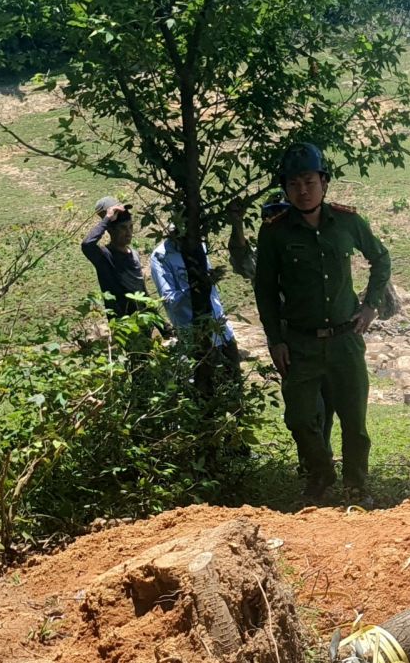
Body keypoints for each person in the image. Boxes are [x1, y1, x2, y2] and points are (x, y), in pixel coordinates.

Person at [254, 143, 392, 498]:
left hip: (345, 339)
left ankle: (356, 485)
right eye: (294, 184)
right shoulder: (275, 231)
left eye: (309, 182)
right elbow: (266, 289)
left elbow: (381, 259)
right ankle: (320, 472)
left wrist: (370, 305)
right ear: (285, 188)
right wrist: (275, 340)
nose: (302, 191)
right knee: (299, 419)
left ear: (324, 182)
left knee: (354, 421)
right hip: (299, 342)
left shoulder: (347, 222)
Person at [149, 224, 239, 366]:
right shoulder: (161, 257)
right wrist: (197, 289)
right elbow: (170, 300)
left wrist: (210, 280)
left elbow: (209, 285)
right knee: (205, 381)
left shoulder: (198, 246)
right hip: (193, 334)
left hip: (221, 328)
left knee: (234, 376)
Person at [81, 196, 147, 318]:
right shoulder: (104, 257)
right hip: (123, 327)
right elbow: (87, 244)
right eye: (123, 228)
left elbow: (143, 293)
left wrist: (163, 327)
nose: (128, 233)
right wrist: (107, 219)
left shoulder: (134, 254)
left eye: (130, 227)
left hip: (145, 323)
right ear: (110, 230)